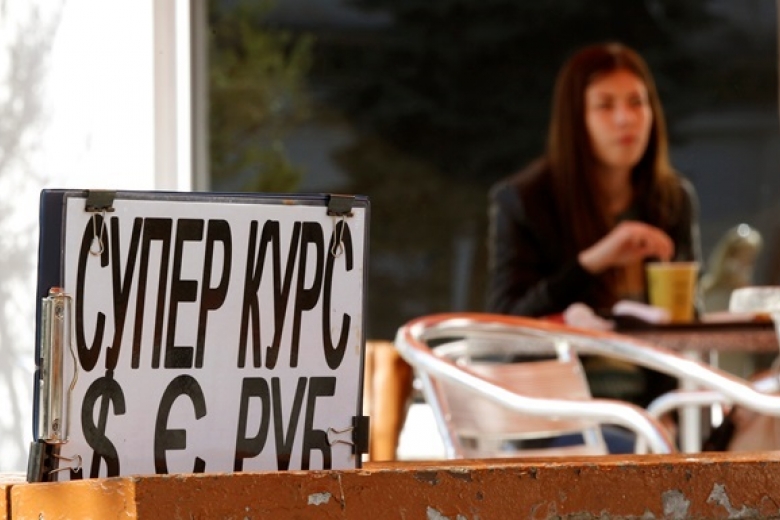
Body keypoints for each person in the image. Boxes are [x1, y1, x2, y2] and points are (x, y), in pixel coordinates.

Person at [486, 42, 703, 417]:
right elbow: (506, 325)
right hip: (563, 412)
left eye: (637, 102)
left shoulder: (671, 199)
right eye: (605, 105)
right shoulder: (525, 200)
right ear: (576, 118)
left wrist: (667, 417)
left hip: (659, 410)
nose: (625, 119)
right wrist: (593, 262)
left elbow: (685, 317)